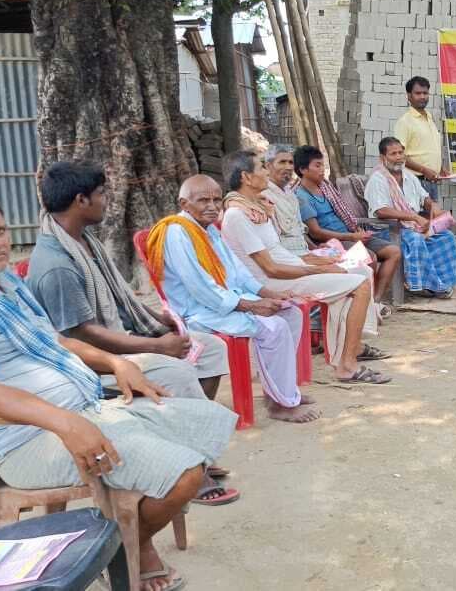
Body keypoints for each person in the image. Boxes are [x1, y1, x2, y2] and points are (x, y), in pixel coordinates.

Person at [0, 191, 236, 591]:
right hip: (27, 440)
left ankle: (129, 538)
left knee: (199, 432)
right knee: (185, 474)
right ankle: (128, 547)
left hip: (82, 410)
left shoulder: (5, 284)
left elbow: (55, 342)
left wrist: (117, 363)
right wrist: (67, 424)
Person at [28, 161, 238, 506]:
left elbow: (117, 300)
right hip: (89, 361)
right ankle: (191, 466)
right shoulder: (56, 264)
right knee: (178, 369)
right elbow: (85, 336)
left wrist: (157, 320)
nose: (106, 199)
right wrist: (157, 346)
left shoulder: (83, 241)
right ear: (81, 200)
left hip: (115, 340)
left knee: (211, 349)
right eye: (101, 193)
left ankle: (189, 442)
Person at [148, 176, 325, 421]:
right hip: (200, 312)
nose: (212, 206)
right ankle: (280, 405)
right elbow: (201, 289)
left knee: (290, 313)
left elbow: (237, 271)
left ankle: (280, 392)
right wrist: (251, 306)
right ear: (184, 203)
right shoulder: (178, 232)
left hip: (227, 302)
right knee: (274, 327)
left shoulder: (208, 229)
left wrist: (269, 294)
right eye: (203, 200)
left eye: (216, 200)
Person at [219, 151, 391, 377]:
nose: (265, 172)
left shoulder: (257, 208)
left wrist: (318, 260)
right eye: (261, 167)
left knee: (360, 270)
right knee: (358, 285)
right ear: (246, 177)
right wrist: (319, 268)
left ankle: (351, 348)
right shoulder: (237, 215)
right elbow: (271, 269)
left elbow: (279, 254)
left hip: (290, 272)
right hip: (272, 283)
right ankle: (347, 364)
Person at [294, 145, 403, 302]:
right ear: (303, 170)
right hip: (332, 241)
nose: (322, 169)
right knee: (369, 258)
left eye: (322, 165)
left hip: (350, 234)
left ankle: (375, 300)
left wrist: (356, 233)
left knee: (394, 251)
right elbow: (316, 232)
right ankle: (364, 303)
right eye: (317, 166)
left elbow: (344, 213)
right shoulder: (302, 197)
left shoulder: (325, 187)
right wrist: (351, 236)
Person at [364, 137, 456, 298]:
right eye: (393, 154)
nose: (399, 157)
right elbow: (381, 211)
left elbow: (425, 199)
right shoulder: (378, 180)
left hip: (410, 227)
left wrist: (437, 211)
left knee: (445, 236)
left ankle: (444, 282)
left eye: (401, 152)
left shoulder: (409, 177)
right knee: (415, 239)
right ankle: (425, 286)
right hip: (387, 231)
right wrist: (414, 217)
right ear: (383, 158)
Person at [394, 76, 448, 200]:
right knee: (419, 219)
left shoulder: (429, 118)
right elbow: (399, 157)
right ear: (409, 96)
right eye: (418, 93)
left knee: (431, 219)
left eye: (425, 93)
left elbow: (426, 149)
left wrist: (439, 168)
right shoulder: (405, 122)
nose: (422, 97)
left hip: (431, 182)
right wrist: (424, 170)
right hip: (416, 182)